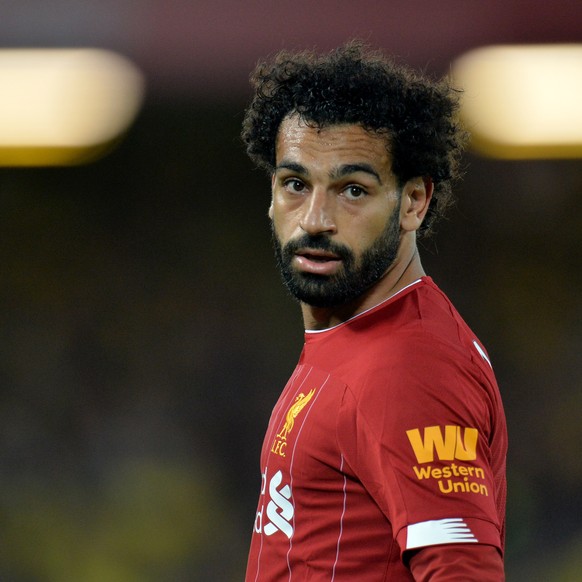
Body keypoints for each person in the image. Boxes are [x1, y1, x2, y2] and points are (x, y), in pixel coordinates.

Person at [241, 41, 507, 581]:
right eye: (296, 184)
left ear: (414, 202)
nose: (315, 219)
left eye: (352, 190)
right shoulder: (349, 341)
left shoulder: (410, 367)